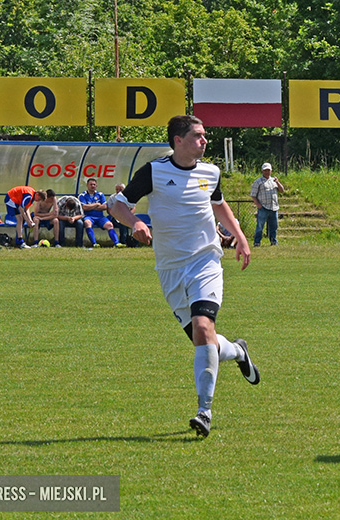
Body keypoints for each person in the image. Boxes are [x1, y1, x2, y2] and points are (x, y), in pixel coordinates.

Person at [109, 115, 258, 438]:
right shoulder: (154, 171)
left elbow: (219, 205)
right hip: (170, 268)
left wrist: (240, 236)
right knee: (202, 340)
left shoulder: (211, 171)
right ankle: (238, 351)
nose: (204, 141)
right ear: (178, 140)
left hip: (205, 262)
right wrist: (134, 222)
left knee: (204, 327)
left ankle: (204, 411)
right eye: (198, 136)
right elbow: (117, 204)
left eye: (205, 135)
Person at [79, 178, 122, 247]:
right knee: (87, 223)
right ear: (87, 185)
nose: (92, 186)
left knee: (110, 225)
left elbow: (104, 207)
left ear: (96, 186)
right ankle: (94, 243)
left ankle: (116, 243)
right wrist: (96, 204)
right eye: (91, 184)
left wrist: (90, 206)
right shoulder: (82, 195)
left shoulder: (100, 194)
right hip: (88, 216)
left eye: (94, 184)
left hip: (100, 217)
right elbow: (84, 207)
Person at [250, 162, 285, 247]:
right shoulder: (258, 182)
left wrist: (278, 182)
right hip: (263, 207)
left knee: (274, 226)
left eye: (268, 170)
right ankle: (257, 242)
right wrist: (258, 205)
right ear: (262, 171)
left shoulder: (274, 181)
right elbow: (253, 195)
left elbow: (282, 190)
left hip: (274, 207)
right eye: (265, 170)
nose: (267, 172)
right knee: (260, 227)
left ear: (271, 171)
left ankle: (273, 241)